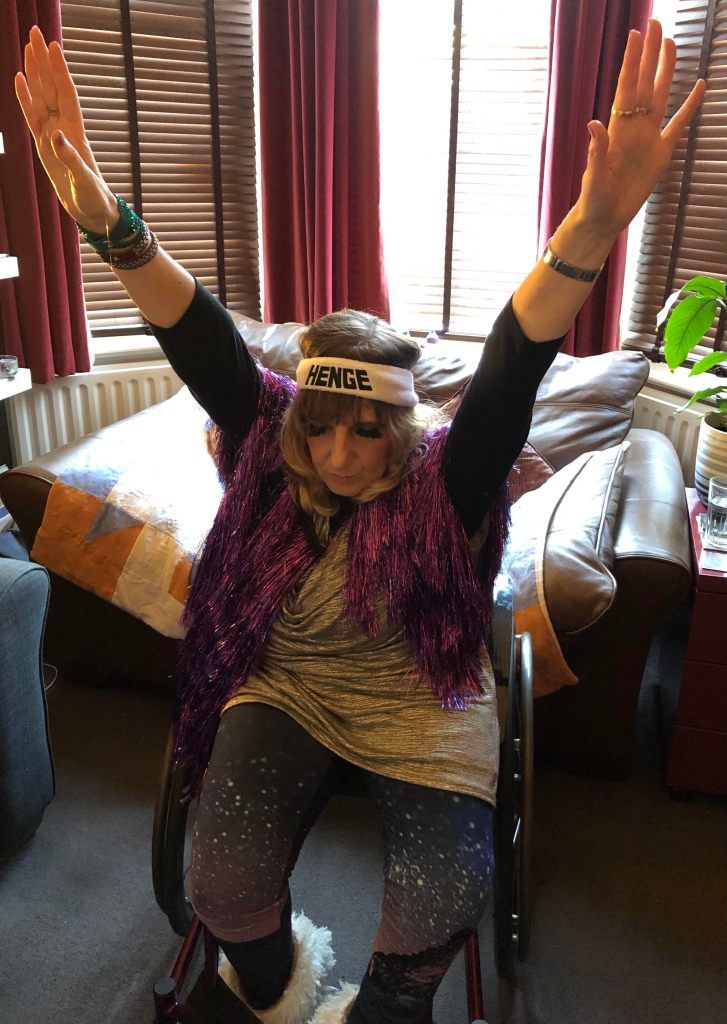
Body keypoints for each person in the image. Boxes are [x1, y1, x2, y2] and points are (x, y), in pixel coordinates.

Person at [16, 21, 704, 1024]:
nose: (340, 454)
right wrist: (106, 220)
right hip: (288, 686)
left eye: (367, 431)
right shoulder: (262, 437)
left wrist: (592, 228)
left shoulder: (449, 474)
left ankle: (385, 1009)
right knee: (221, 881)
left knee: (444, 892)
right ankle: (270, 986)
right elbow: (193, 331)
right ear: (293, 417)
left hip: (425, 696)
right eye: (321, 427)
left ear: (402, 427)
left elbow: (513, 361)